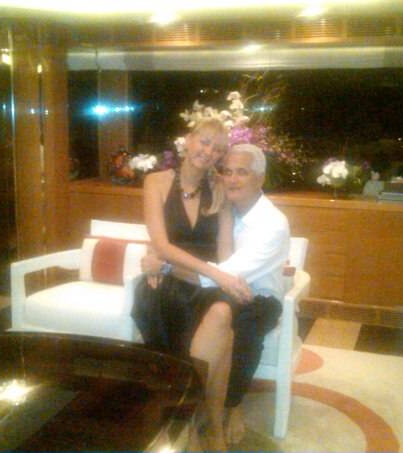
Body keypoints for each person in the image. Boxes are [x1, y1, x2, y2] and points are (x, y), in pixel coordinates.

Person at [140, 143, 291, 447]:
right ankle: (199, 412)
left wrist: (165, 265)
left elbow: (222, 274)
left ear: (260, 179)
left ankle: (229, 406)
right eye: (227, 171)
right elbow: (188, 246)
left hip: (260, 297)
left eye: (242, 172)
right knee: (203, 317)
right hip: (224, 287)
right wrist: (157, 251)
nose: (232, 179)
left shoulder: (271, 224)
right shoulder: (225, 207)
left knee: (239, 327)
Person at [132, 118, 251, 451]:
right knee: (216, 339)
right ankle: (199, 424)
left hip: (206, 283)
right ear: (188, 140)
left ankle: (203, 422)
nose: (209, 151)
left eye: (217, 148)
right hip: (167, 281)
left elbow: (225, 251)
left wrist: (223, 276)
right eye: (204, 141)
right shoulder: (155, 182)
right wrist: (213, 273)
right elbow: (161, 243)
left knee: (222, 315)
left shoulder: (220, 190)